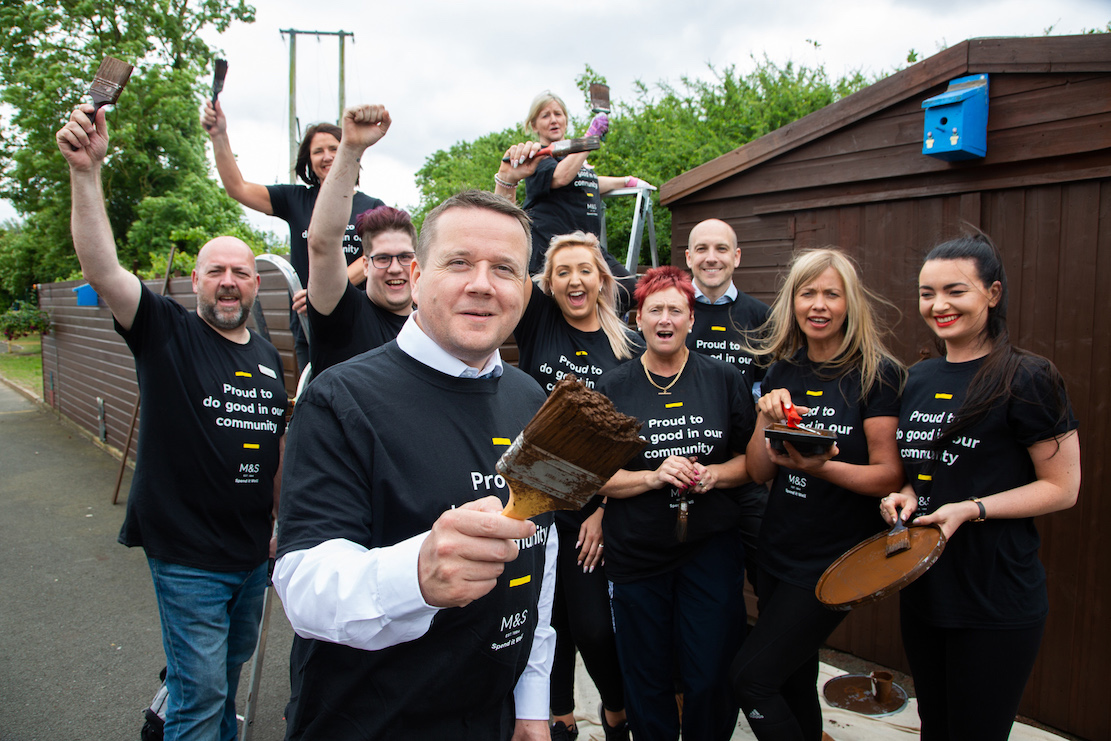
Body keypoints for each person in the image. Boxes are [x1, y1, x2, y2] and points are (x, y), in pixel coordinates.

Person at [274, 190, 557, 740]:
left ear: (524, 291)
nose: (481, 283)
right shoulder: (341, 398)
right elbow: (301, 584)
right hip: (366, 721)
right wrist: (416, 575)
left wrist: (531, 702)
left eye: (504, 268)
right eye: (459, 262)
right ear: (419, 276)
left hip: (492, 718)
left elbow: (539, 560)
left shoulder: (533, 402)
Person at [58, 106, 287, 741]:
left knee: (224, 676)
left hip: (251, 553)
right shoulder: (165, 331)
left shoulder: (266, 357)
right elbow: (103, 269)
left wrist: (275, 525)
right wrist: (86, 173)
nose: (230, 281)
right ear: (195, 282)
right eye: (216, 270)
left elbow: (270, 451)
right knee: (201, 691)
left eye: (241, 271)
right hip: (187, 555)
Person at [880, 234, 1080, 741]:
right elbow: (923, 467)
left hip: (996, 597)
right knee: (936, 726)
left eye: (955, 291)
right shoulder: (918, 376)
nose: (938, 305)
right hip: (925, 589)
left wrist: (971, 509)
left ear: (992, 293)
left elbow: (1062, 487)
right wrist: (905, 491)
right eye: (927, 293)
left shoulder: (1028, 377)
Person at [730, 248, 905, 741]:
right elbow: (759, 470)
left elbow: (888, 476)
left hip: (835, 561)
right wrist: (765, 416)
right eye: (808, 293)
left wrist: (821, 468)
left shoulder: (876, 372)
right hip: (779, 550)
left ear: (851, 303)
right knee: (792, 679)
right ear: (793, 301)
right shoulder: (784, 370)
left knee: (751, 679)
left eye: (832, 293)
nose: (819, 305)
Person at [596, 266, 755, 741]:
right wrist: (652, 475)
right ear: (638, 318)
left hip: (710, 549)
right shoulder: (613, 386)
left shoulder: (723, 379)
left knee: (710, 671)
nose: (665, 319)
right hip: (637, 553)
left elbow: (752, 462)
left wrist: (715, 474)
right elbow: (597, 477)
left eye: (676, 310)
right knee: (646, 676)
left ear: (691, 319)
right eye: (655, 310)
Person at [514, 231, 640, 740]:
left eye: (585, 270)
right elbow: (511, 260)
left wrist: (605, 508)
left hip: (592, 506)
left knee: (593, 625)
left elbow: (633, 433)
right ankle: (561, 718)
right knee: (549, 623)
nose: (574, 280)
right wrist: (509, 183)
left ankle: (616, 715)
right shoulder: (539, 320)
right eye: (562, 271)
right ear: (548, 283)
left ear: (602, 278)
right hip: (535, 496)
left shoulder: (626, 344)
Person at [203, 99, 385, 373]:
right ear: (308, 160)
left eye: (334, 148)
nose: (327, 156)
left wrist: (320, 290)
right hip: (310, 326)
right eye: (318, 151)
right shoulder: (294, 199)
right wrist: (218, 135)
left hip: (359, 321)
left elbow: (375, 258)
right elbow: (237, 188)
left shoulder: (372, 206)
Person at [684, 217, 772, 591]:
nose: (711, 258)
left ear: (736, 257)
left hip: (745, 470)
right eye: (702, 249)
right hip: (680, 469)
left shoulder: (761, 317)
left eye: (721, 249)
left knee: (766, 571)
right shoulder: (671, 311)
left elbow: (769, 389)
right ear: (688, 257)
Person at [303, 104, 413, 376]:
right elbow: (323, 242)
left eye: (404, 257)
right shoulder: (343, 314)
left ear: (417, 265)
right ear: (364, 265)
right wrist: (350, 148)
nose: (396, 268)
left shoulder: (432, 326)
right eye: (383, 258)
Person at [495, 91, 651, 277]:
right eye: (545, 115)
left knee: (631, 290)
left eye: (558, 114)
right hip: (552, 248)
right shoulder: (538, 158)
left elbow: (588, 182)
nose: (553, 120)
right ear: (534, 125)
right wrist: (589, 139)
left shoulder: (572, 159)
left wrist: (626, 181)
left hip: (587, 245)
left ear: (566, 121)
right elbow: (562, 177)